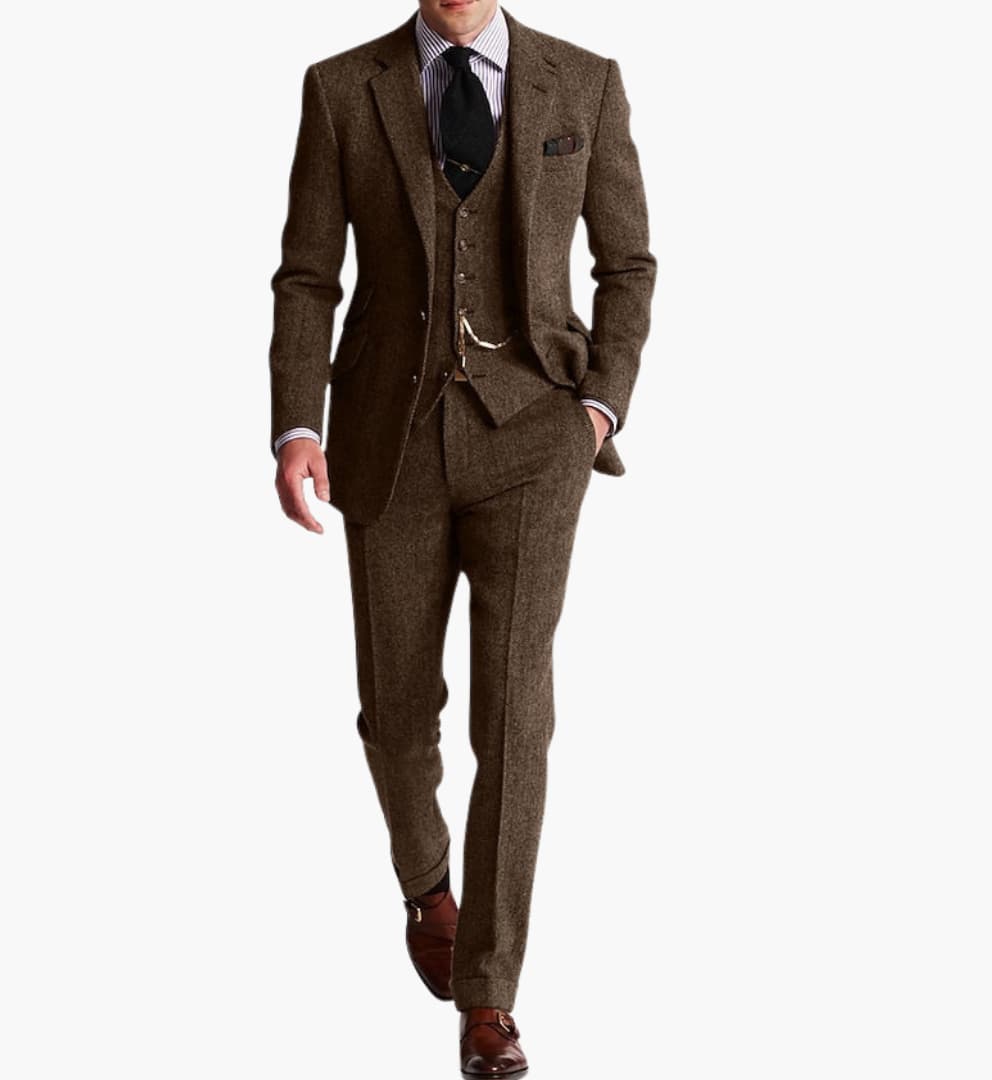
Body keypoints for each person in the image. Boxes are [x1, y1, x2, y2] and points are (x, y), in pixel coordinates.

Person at [268, 1, 656, 1073]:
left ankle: (490, 997)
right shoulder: (341, 89)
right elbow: (309, 275)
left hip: (536, 437)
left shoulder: (585, 80)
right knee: (395, 713)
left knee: (516, 716)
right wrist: (298, 426)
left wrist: (597, 411)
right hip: (386, 438)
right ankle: (425, 879)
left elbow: (628, 262)